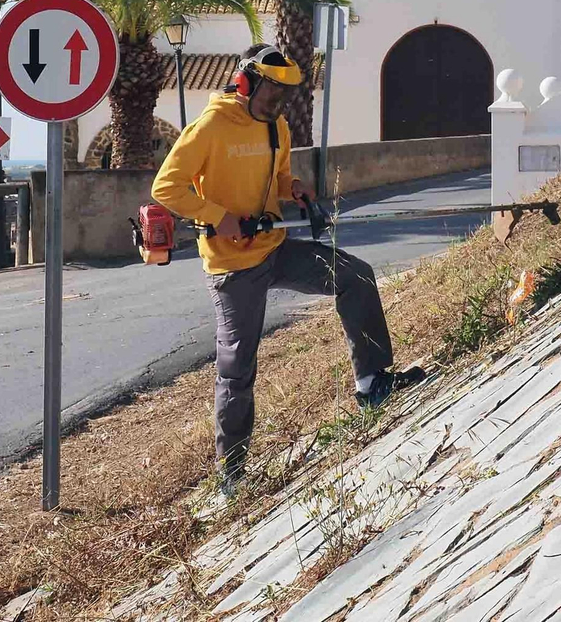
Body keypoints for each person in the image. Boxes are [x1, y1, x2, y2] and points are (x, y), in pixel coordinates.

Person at [151, 43, 425, 490]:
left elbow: (277, 178)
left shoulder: (276, 126)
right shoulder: (212, 125)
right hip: (231, 266)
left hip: (274, 246)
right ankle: (231, 474)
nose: (276, 105)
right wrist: (220, 217)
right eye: (269, 96)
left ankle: (372, 382)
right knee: (237, 366)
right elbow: (167, 186)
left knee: (354, 276)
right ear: (245, 83)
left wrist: (294, 188)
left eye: (282, 98)